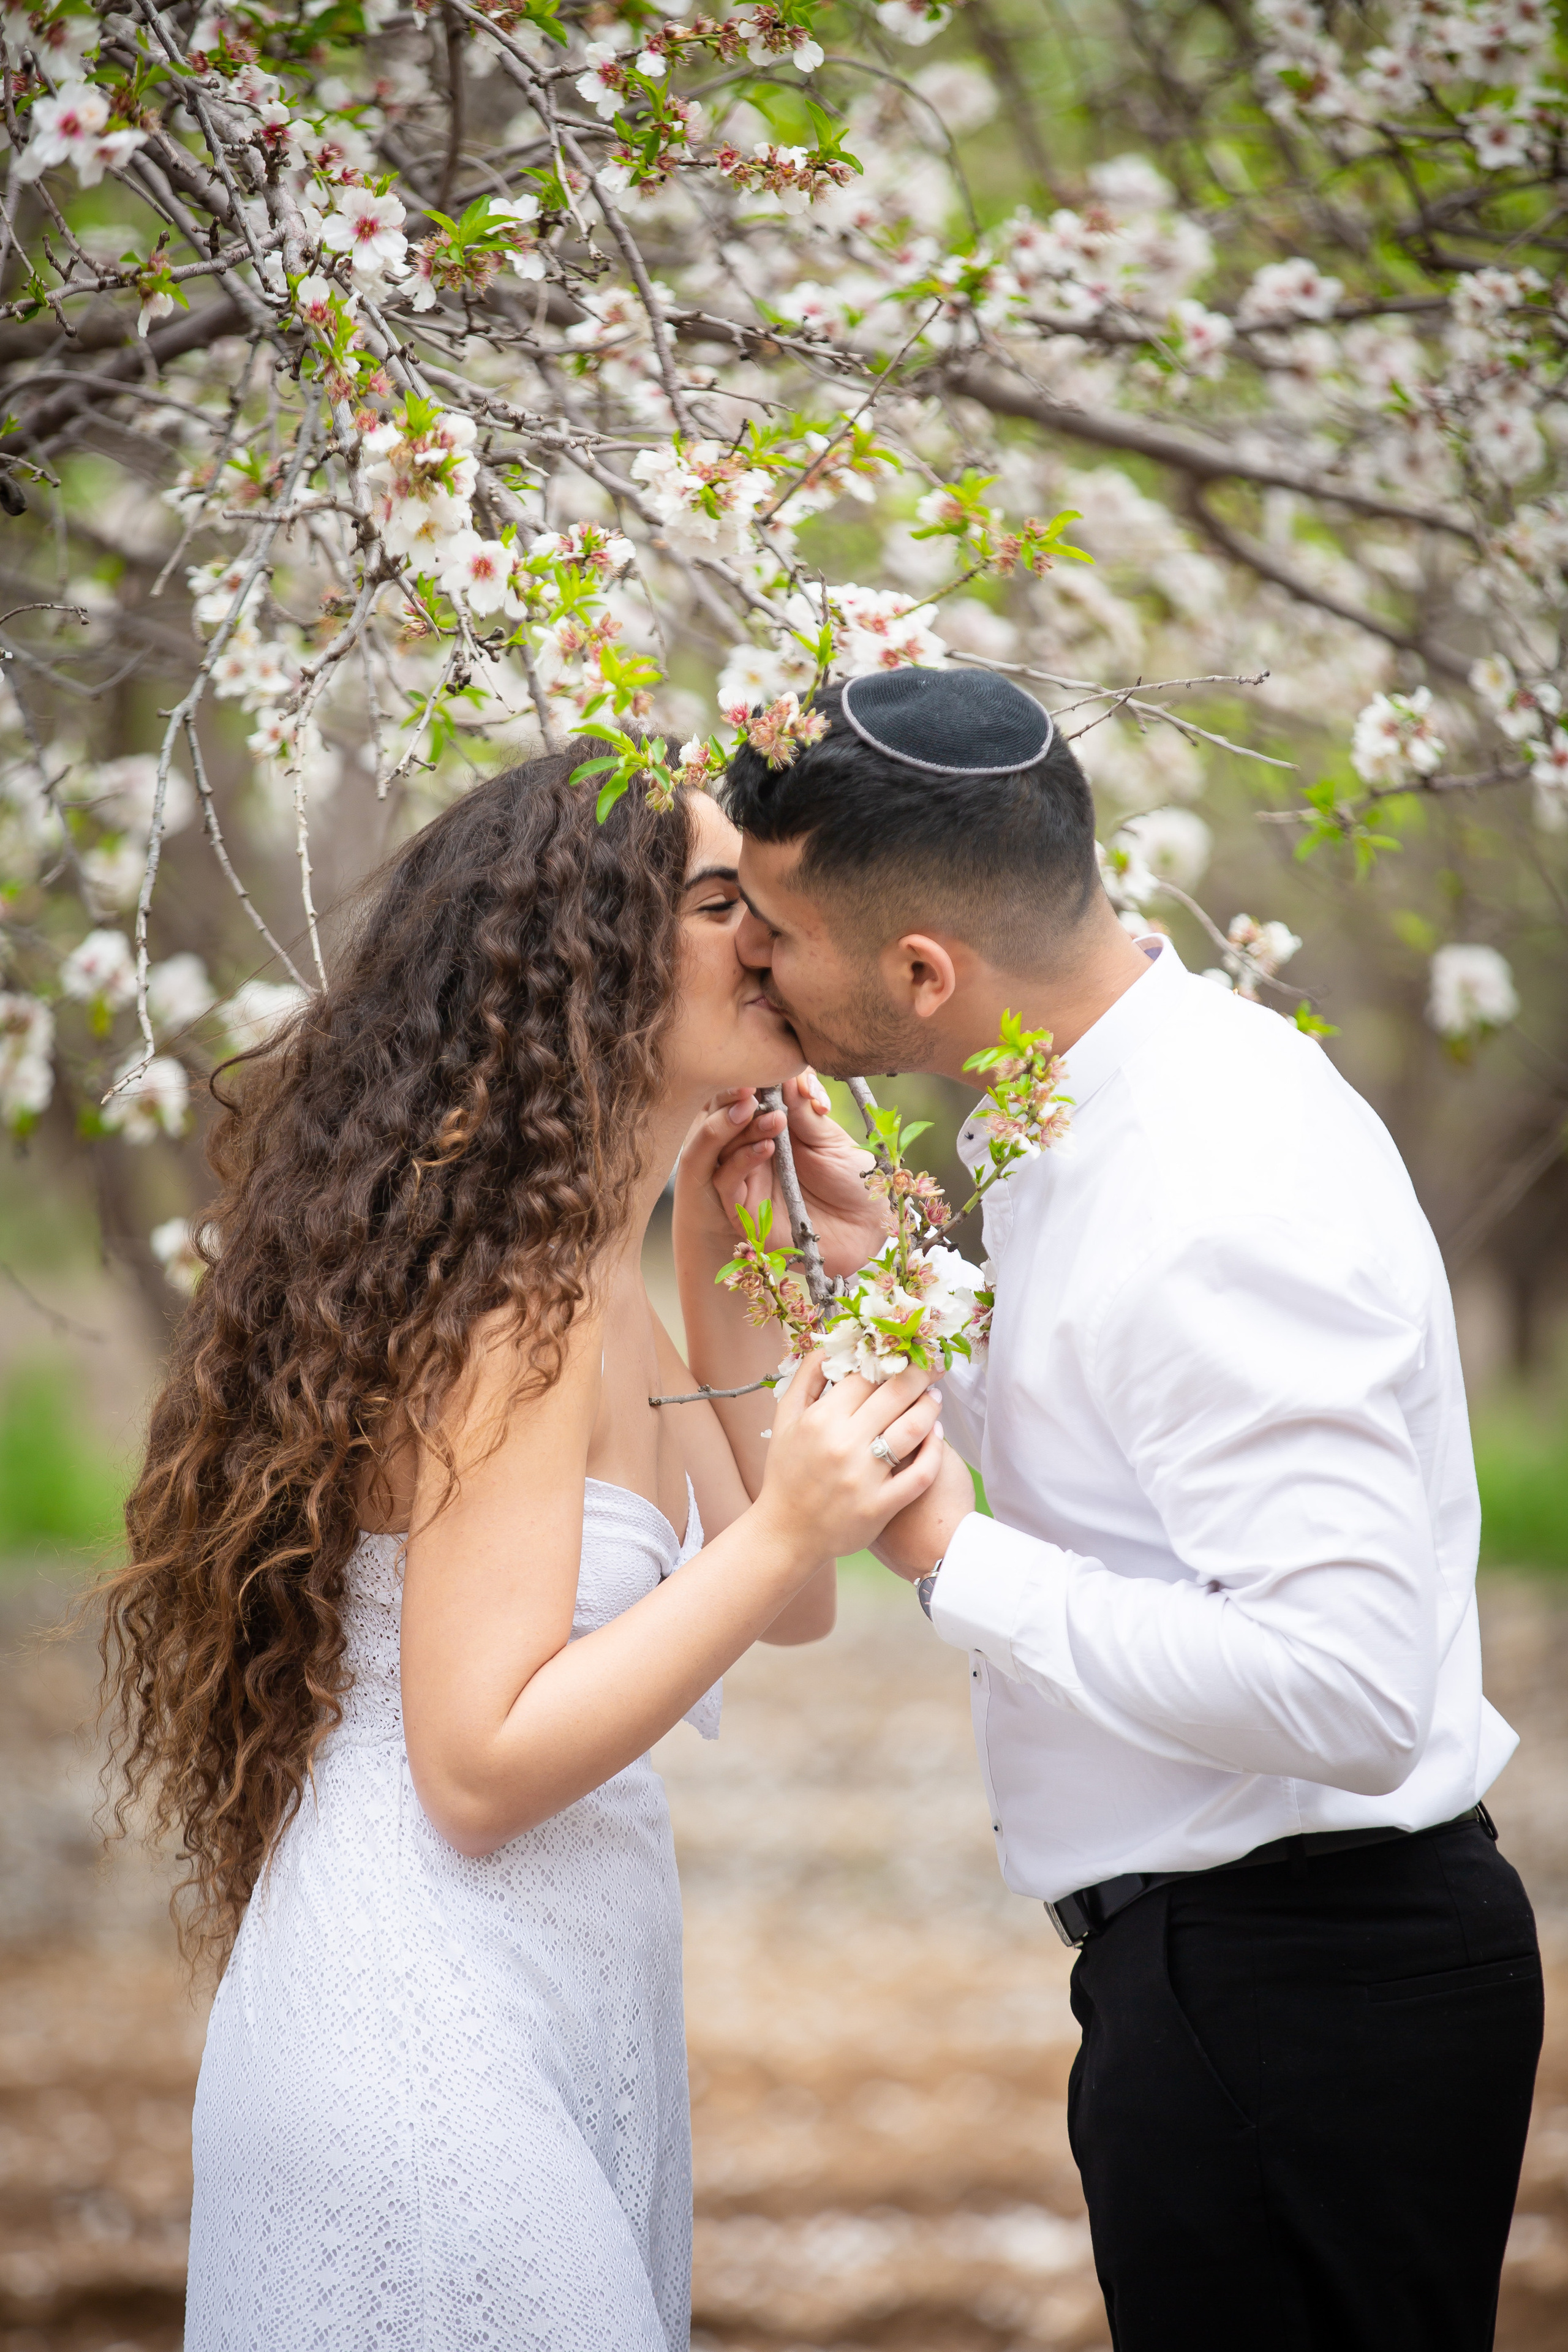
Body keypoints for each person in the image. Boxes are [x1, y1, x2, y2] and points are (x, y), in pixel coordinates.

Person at [682, 665, 1544, 2352]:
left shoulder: (1212, 1187)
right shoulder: (1122, 1091)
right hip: (1259, 1971)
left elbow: (1352, 1692)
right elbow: (1140, 1436)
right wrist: (911, 1290)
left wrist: (945, 1554)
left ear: (925, 970)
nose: (751, 965)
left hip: (1302, 1991)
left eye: (773, 931)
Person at [99, 745, 946, 2352]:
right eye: (721, 902)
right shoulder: (519, 1310)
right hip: (423, 2041)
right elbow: (477, 1768)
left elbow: (791, 1615)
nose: (771, 932)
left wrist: (731, 1267)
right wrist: (781, 1532)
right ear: (592, 962)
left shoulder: (595, 1273)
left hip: (538, 2019)